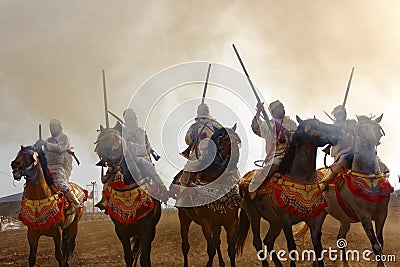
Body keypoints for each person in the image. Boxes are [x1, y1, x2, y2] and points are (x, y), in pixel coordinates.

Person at [319, 105, 389, 190]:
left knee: (373, 158)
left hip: (355, 148)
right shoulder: (334, 128)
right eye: (338, 115)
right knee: (342, 162)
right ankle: (325, 182)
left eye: (341, 114)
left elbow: (360, 130)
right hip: (341, 153)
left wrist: (350, 130)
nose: (340, 117)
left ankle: (383, 176)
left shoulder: (352, 123)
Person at [34, 119, 81, 215]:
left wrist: (45, 144)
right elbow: (43, 152)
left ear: (59, 128)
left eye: (54, 127)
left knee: (59, 183)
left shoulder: (64, 138)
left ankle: (75, 203)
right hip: (47, 166)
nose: (51, 130)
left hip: (61, 167)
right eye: (50, 128)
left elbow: (59, 148)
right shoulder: (48, 140)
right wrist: (37, 146)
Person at [249, 100, 297, 192]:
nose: (283, 110)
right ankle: (255, 184)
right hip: (276, 155)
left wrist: (288, 135)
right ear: (273, 111)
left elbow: (298, 136)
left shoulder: (291, 123)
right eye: (280, 108)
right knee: (274, 166)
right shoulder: (266, 125)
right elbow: (256, 128)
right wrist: (259, 111)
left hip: (291, 153)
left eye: (283, 107)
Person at [123, 109, 169, 201]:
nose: (132, 121)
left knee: (147, 165)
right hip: (126, 159)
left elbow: (143, 149)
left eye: (133, 118)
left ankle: (163, 189)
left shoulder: (141, 133)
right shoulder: (123, 133)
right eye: (129, 119)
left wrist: (130, 145)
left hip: (141, 158)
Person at [179, 103, 223, 186]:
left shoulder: (215, 124)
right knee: (188, 170)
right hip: (198, 153)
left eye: (204, 110)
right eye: (201, 110)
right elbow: (187, 140)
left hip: (214, 152)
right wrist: (192, 136)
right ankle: (184, 191)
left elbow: (223, 135)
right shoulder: (194, 127)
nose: (203, 112)